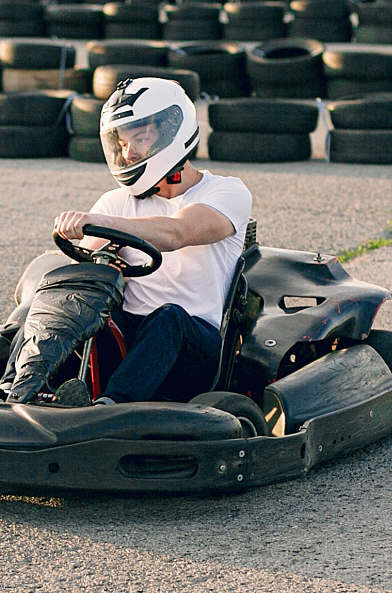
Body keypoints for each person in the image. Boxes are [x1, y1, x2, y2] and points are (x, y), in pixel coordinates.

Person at [56, 76, 252, 404]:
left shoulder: (226, 192)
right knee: (68, 300)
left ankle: (110, 407)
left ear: (170, 133)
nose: (127, 153)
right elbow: (81, 271)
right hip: (129, 339)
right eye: (121, 143)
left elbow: (176, 233)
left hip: (192, 348)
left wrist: (99, 223)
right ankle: (15, 387)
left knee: (168, 317)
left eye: (140, 138)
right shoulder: (116, 201)